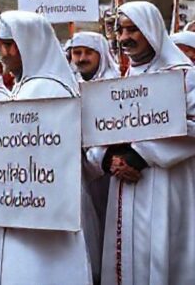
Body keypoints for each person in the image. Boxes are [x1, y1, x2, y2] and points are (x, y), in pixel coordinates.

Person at [0, 10, 95, 285]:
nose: (2, 54)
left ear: (30, 44)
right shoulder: (26, 87)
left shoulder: (47, 90)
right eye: (0, 45)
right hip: (19, 208)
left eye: (9, 45)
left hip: (41, 220)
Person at [96, 2, 195, 284]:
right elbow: (101, 126)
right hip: (124, 183)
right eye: (120, 30)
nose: (124, 37)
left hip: (165, 181)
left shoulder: (184, 74)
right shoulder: (123, 77)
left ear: (150, 29)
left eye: (132, 30)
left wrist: (141, 154)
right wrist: (109, 158)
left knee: (161, 252)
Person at [68, 30, 121, 276]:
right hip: (81, 171)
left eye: (88, 52)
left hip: (111, 171)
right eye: (77, 53)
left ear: (101, 54)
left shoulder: (115, 84)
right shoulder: (70, 85)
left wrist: (96, 159)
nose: (81, 58)